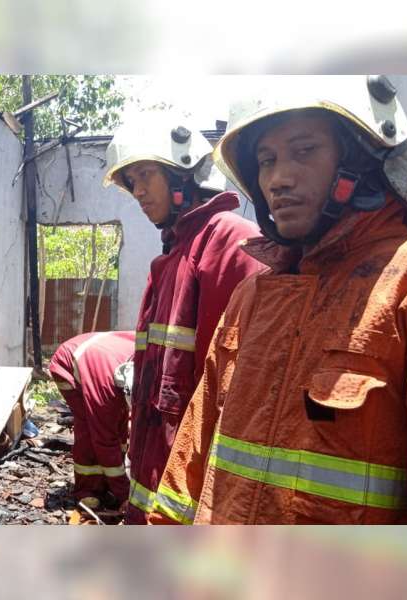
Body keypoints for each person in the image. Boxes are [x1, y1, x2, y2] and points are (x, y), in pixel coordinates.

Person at [155, 75, 407, 524]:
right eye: (266, 161)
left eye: (305, 151)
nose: (278, 179)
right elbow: (191, 458)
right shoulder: (253, 296)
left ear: (360, 158)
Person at [103, 110, 262, 523]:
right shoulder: (170, 259)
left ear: (182, 176)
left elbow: (247, 379)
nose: (137, 192)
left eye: (144, 176)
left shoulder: (230, 239)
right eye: (131, 183)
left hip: (198, 467)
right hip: (156, 458)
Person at [49, 330, 135, 510]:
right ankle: (88, 490)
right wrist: (124, 495)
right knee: (90, 429)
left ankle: (109, 481)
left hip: (99, 354)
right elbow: (104, 440)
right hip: (68, 365)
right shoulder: (104, 390)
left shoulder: (148, 360)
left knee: (117, 423)